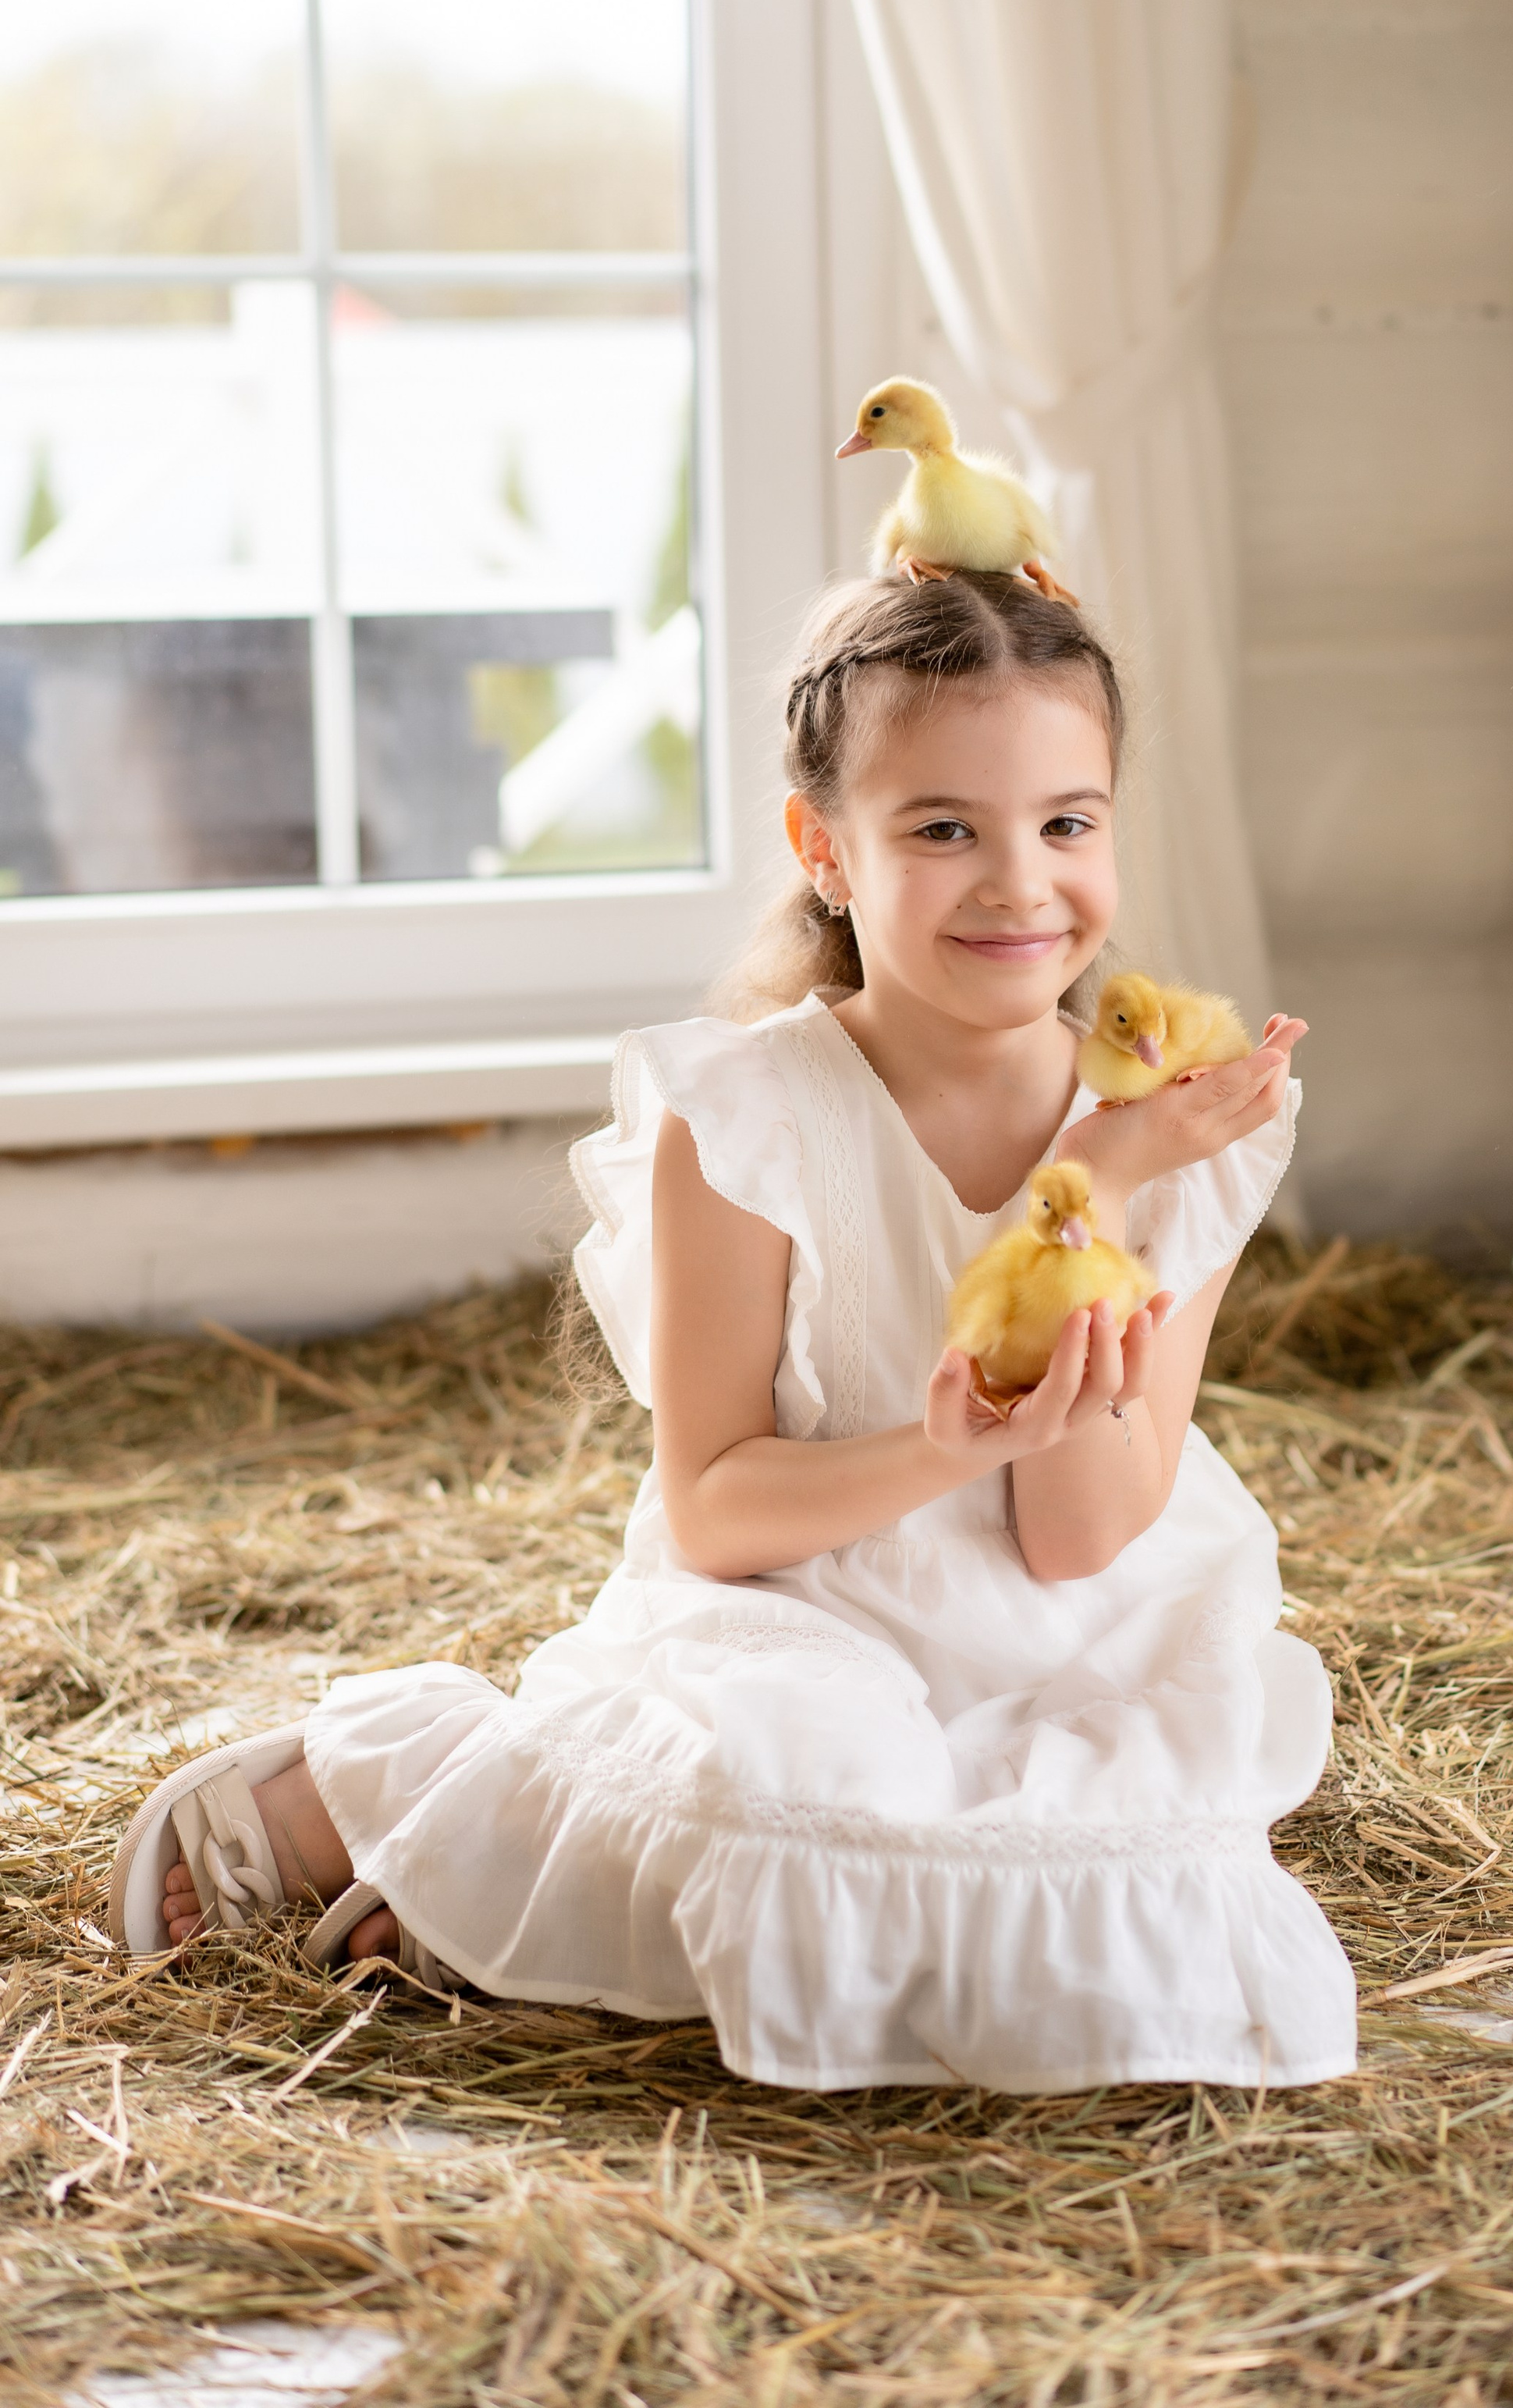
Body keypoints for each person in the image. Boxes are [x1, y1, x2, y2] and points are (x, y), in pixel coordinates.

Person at [115, 572, 1357, 2091]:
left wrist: (1090, 1186)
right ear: (824, 849)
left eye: (1065, 823)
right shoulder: (749, 1115)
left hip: (1066, 1634)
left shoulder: (1180, 1134)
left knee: (1100, 1925)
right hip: (801, 1596)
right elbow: (713, 1510)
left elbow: (1074, 1541)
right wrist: (939, 1447)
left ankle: (509, 1888)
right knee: (806, 1784)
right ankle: (379, 1799)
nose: (1019, 884)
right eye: (942, 829)